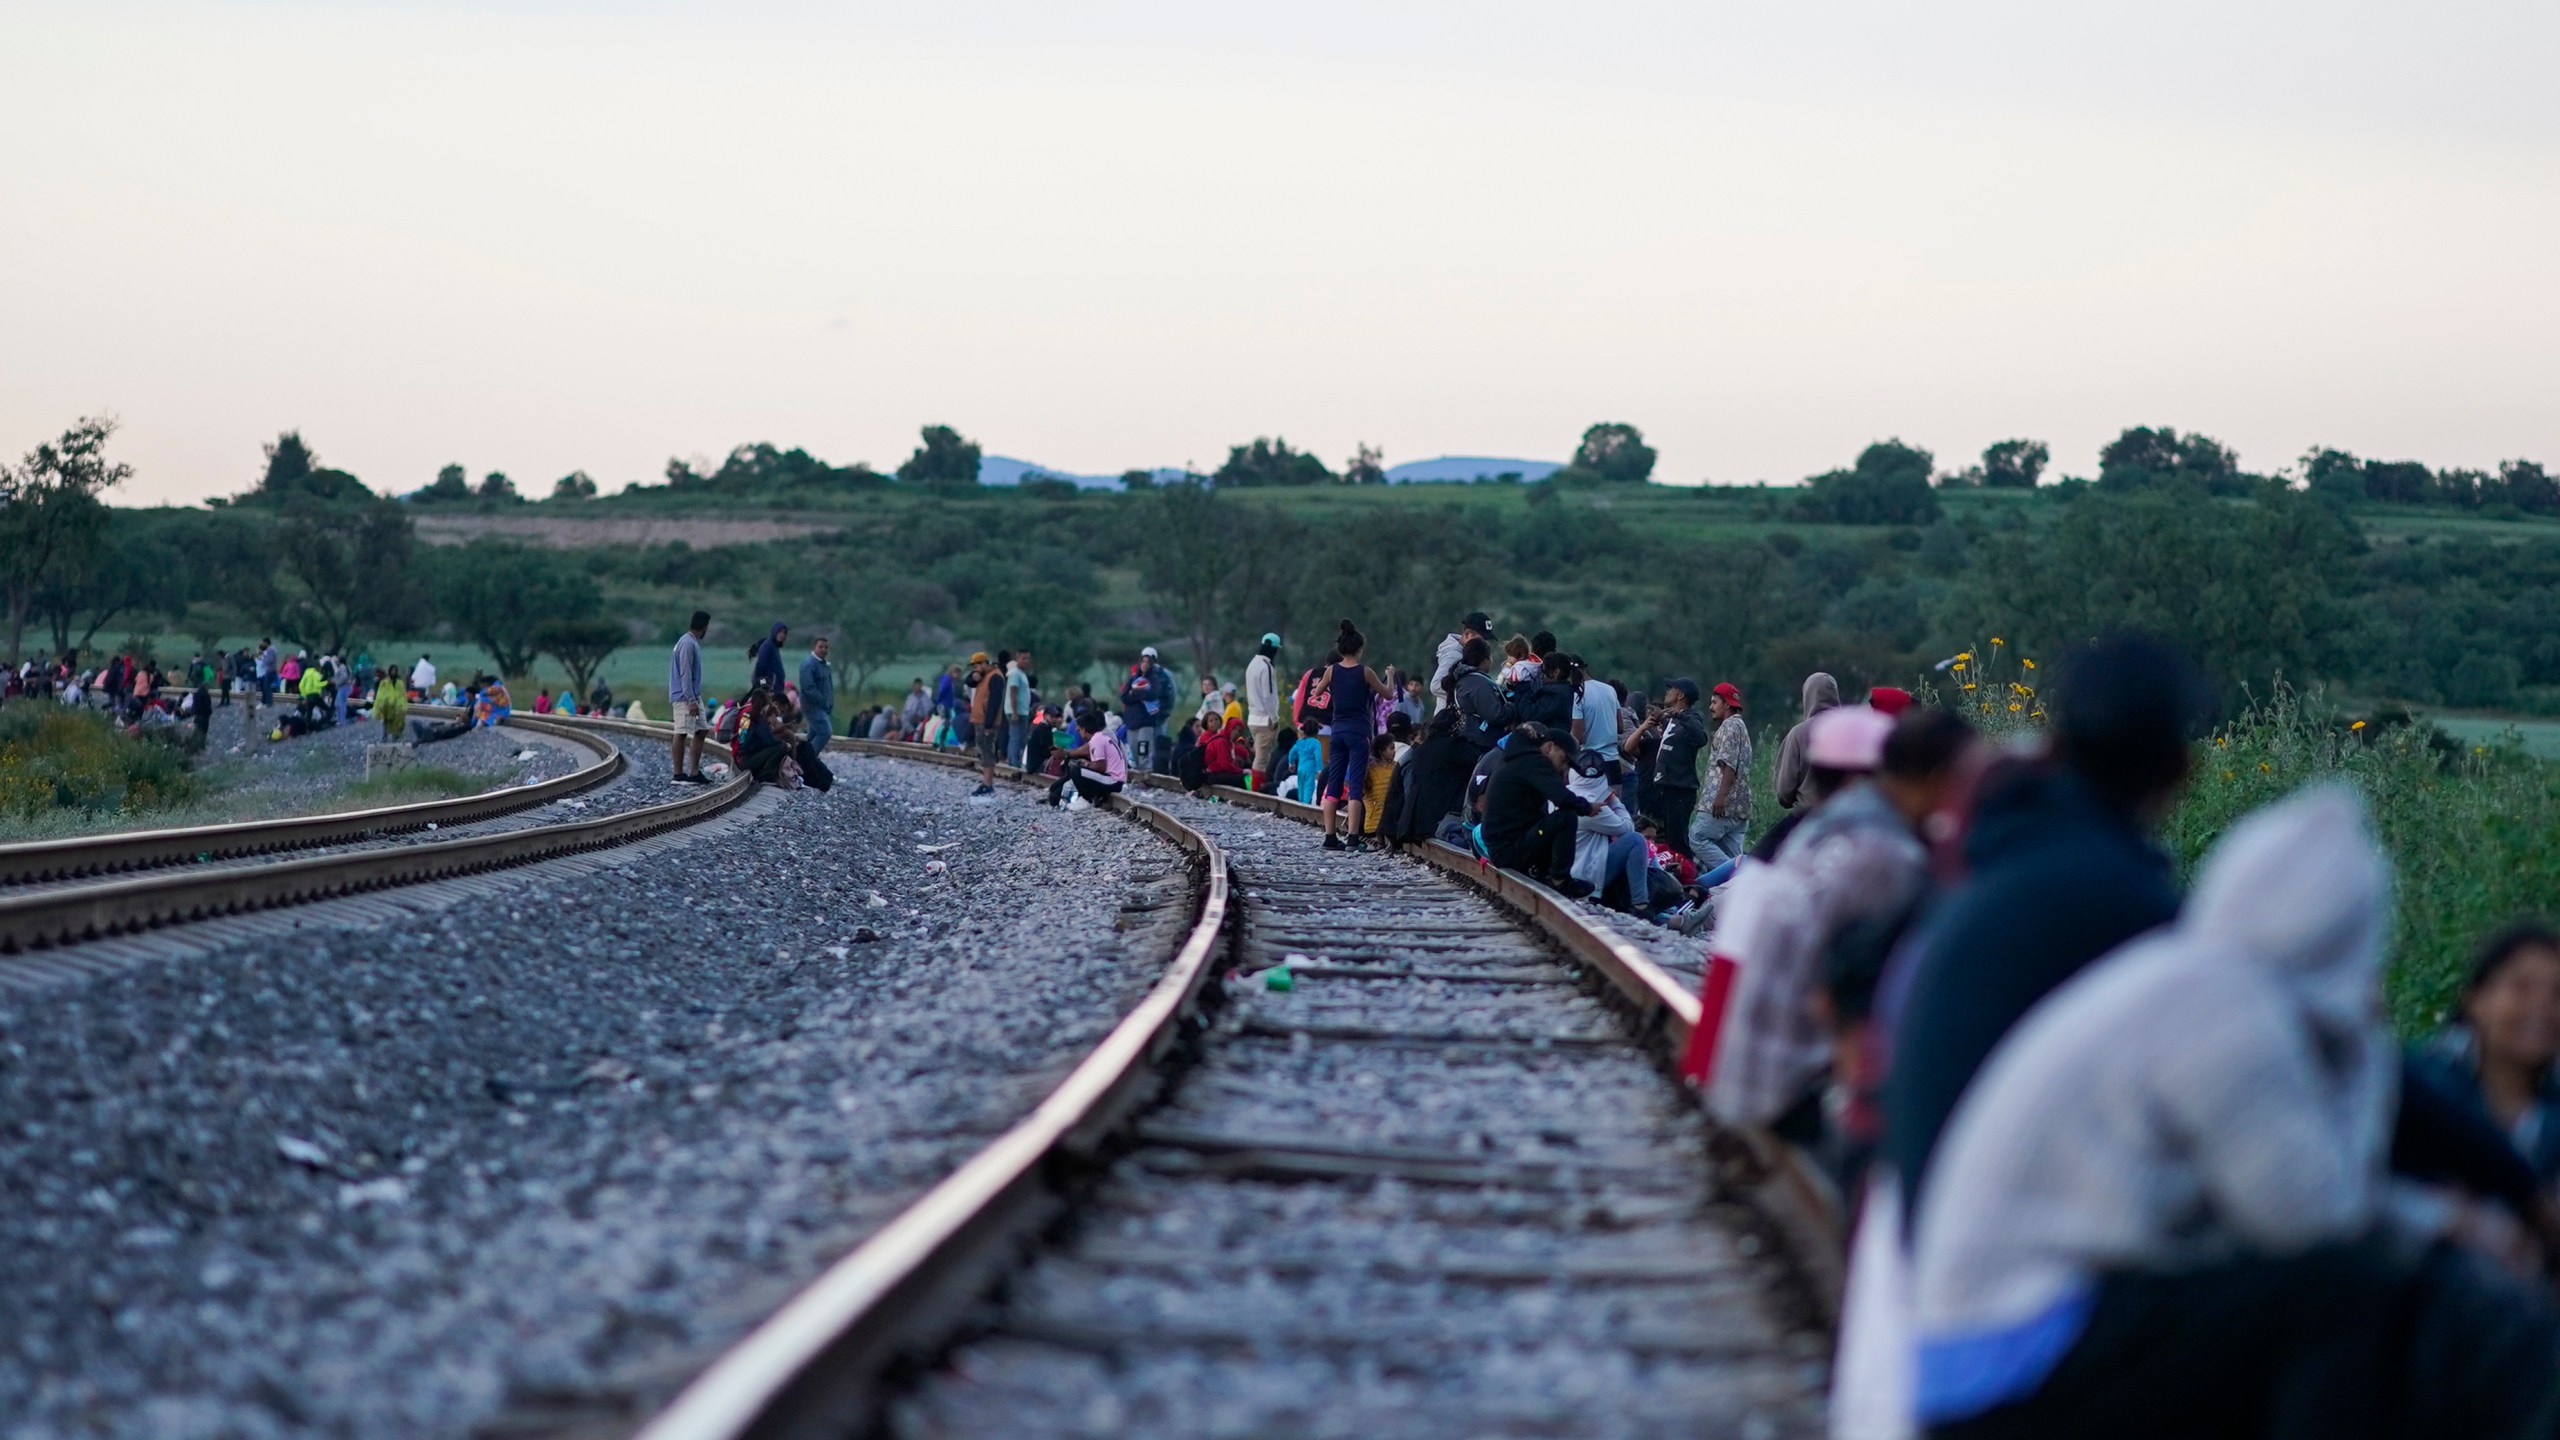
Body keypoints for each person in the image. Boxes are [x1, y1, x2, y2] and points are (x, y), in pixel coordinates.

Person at [1912, 787, 2560, 1440]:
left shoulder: (2189, 979)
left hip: (1986, 1340)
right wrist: (2443, 1211)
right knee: (2344, 1283)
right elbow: (2312, 1220)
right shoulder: (2229, 1013)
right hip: (2015, 1352)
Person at [1882, 634, 2205, 1216]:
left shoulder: (2000, 854)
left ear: (2055, 746)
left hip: (1919, 1214)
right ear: (2183, 768)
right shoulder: (2120, 899)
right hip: (1985, 1248)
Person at [1692, 705, 1909, 1143]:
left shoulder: (1791, 842)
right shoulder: (1872, 849)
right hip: (1787, 1092)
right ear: (1857, 779)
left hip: (1720, 1074)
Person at [2411, 922, 2560, 1190]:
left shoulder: (2551, 1116)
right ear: (2476, 1000)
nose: (2541, 1007)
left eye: (2557, 993)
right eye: (2521, 988)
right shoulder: (2421, 1092)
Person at [1480, 723, 1597, 895]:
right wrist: (1588, 807)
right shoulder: (1535, 762)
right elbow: (1562, 798)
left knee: (1546, 821)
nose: (1564, 768)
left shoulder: (1516, 759)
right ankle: (1560, 880)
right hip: (1509, 849)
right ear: (1550, 747)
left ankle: (1544, 874)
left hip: (1503, 846)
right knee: (1566, 817)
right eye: (1564, 760)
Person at [1315, 620, 1390, 851]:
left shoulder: (1331, 670)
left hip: (1337, 731)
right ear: (1359, 649)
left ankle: (1329, 837)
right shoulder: (1365, 672)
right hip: (1358, 732)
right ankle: (1353, 839)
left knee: (1334, 785)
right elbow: (1387, 694)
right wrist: (1391, 675)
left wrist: (1337, 690)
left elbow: (1318, 693)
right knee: (1355, 786)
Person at [1627, 678, 1709, 852]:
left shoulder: (1691, 716)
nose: (1667, 692)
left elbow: (1700, 739)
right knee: (1666, 841)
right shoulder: (1670, 720)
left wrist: (1679, 715)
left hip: (1680, 788)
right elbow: (1630, 746)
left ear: (1680, 695)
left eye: (1670, 689)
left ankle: (1684, 875)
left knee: (1678, 841)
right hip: (1664, 789)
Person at [1691, 682, 1753, 866]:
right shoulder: (1740, 726)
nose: (1711, 707)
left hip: (1722, 805)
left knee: (1697, 838)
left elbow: (1729, 765)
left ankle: (1736, 876)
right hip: (1740, 808)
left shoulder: (1729, 726)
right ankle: (1738, 885)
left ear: (1726, 704)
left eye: (1714, 702)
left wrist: (1720, 797)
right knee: (1734, 857)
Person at [1774, 671, 1842, 810]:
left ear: (1808, 696)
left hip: (1809, 818)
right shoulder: (1852, 730)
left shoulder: (1798, 734)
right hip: (1849, 819)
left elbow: (1784, 792)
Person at [1045, 707, 1129, 809]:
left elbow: (1100, 767)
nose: (1079, 733)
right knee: (1058, 790)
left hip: (1113, 781)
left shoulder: (1097, 740)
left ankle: (1086, 799)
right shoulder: (1100, 737)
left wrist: (1086, 764)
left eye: (1079, 730)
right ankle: (1087, 796)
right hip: (1114, 779)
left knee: (1076, 770)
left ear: (1084, 729)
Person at [669, 610, 713, 784]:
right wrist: (690, 700)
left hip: (693, 695)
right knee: (681, 732)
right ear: (704, 626)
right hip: (685, 697)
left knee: (702, 729)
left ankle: (694, 772)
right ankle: (678, 774)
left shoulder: (690, 642)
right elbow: (685, 674)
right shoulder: (687, 644)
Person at [1120, 646, 1174, 775]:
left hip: (1146, 721)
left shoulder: (1156, 679)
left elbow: (1152, 695)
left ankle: (1146, 775)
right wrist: (1136, 694)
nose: (1144, 665)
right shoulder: (1132, 679)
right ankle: (1138, 774)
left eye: (1147, 662)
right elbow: (1124, 697)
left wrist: (1135, 694)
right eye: (1142, 662)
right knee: (1133, 749)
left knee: (1143, 749)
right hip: (1132, 720)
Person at [1430, 610, 1494, 713]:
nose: (1484, 643)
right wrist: (1467, 696)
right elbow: (1436, 686)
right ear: (1467, 634)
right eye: (1481, 639)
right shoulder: (1453, 655)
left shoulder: (1468, 653)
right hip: (1449, 719)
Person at [971, 649, 1008, 796]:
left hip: (987, 722)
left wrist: (988, 724)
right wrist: (976, 675)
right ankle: (986, 782)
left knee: (987, 751)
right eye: (974, 666)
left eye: (978, 665)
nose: (976, 668)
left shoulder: (995, 677)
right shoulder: (984, 676)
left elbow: (994, 702)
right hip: (980, 719)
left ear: (986, 663)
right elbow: (969, 681)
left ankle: (988, 783)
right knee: (983, 750)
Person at [800, 635, 837, 750]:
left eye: (826, 647)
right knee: (825, 732)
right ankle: (809, 759)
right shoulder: (809, 664)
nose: (824, 650)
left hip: (823, 707)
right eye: (820, 647)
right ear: (814, 647)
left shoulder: (825, 665)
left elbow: (828, 686)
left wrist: (830, 703)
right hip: (812, 706)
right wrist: (822, 701)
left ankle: (800, 757)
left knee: (813, 734)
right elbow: (808, 687)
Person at [1005, 648, 1035, 769]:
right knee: (1016, 738)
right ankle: (1014, 764)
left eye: (1028, 658)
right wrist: (1015, 712)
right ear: (1017, 658)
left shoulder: (1021, 673)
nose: (1026, 661)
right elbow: (1013, 693)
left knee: (1020, 738)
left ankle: (1014, 761)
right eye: (1023, 658)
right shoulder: (1015, 673)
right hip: (1017, 712)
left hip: (1022, 711)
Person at [750, 622, 789, 697]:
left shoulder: (774, 647)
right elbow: (760, 668)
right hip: (769, 691)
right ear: (774, 632)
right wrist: (764, 687)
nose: (782, 634)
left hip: (775, 689)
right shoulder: (768, 646)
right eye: (779, 631)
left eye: (784, 632)